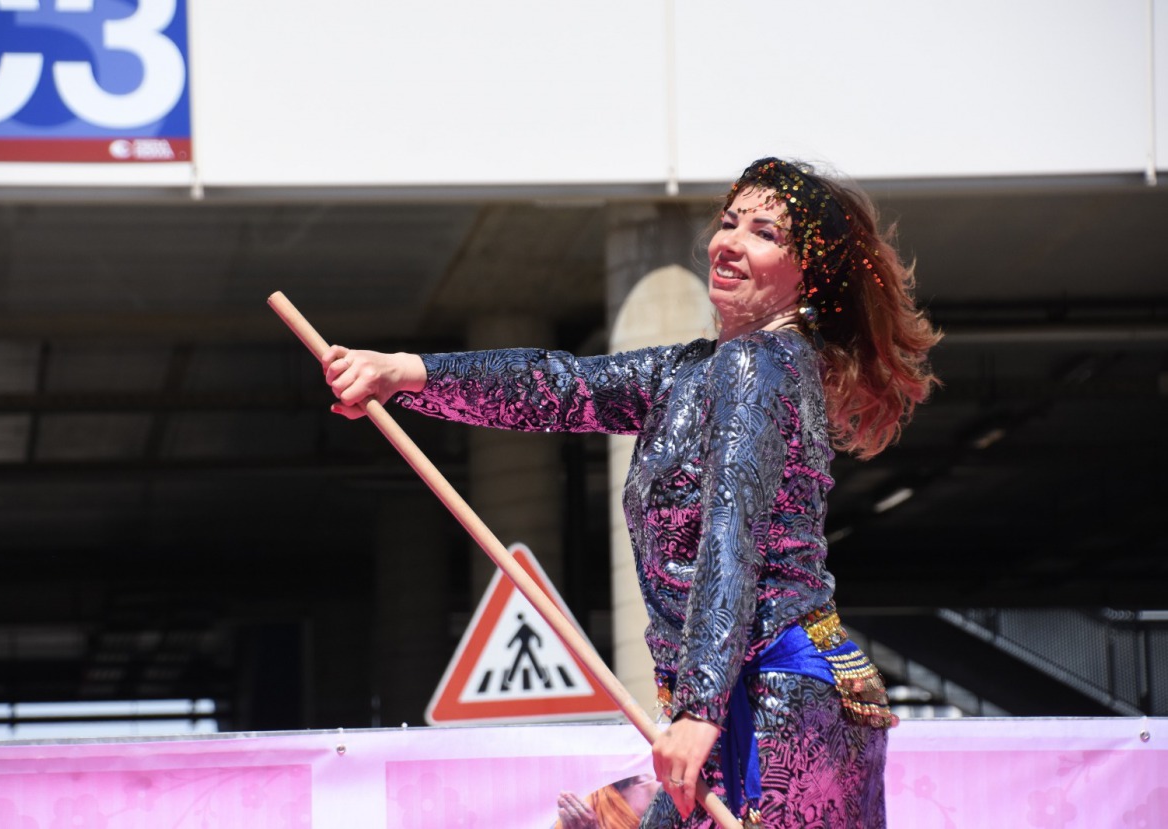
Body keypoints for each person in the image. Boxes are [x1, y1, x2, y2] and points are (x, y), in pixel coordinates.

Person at [322, 157, 940, 828]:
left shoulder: (759, 363)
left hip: (770, 703)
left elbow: (732, 534)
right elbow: (556, 387)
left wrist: (699, 710)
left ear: (808, 274)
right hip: (742, 696)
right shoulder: (690, 370)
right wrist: (404, 371)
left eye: (763, 233)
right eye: (729, 222)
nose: (729, 242)